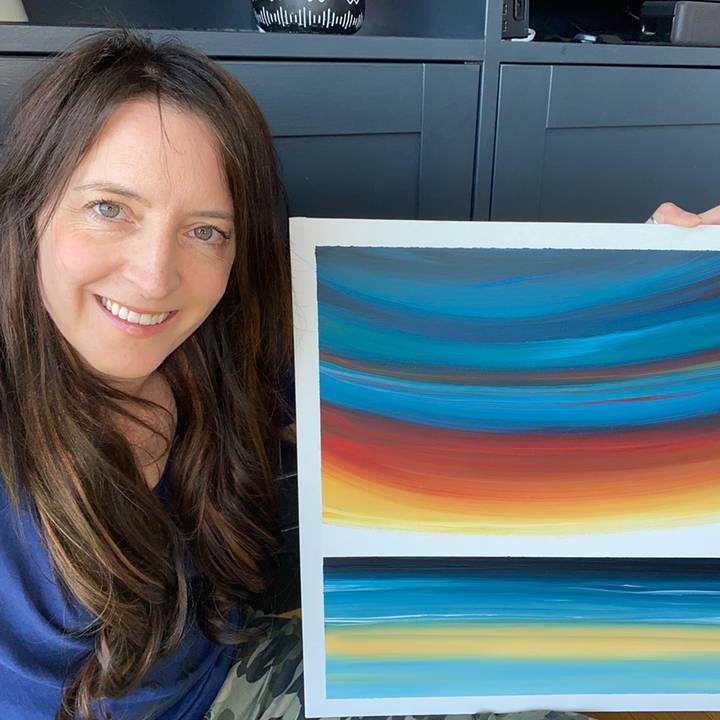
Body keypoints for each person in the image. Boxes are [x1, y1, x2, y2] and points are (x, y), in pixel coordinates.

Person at [0, 27, 694, 720]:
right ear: (30, 210)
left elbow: (480, 382)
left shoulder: (223, 354)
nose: (155, 277)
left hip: (238, 677)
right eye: (109, 209)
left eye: (205, 230)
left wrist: (662, 278)